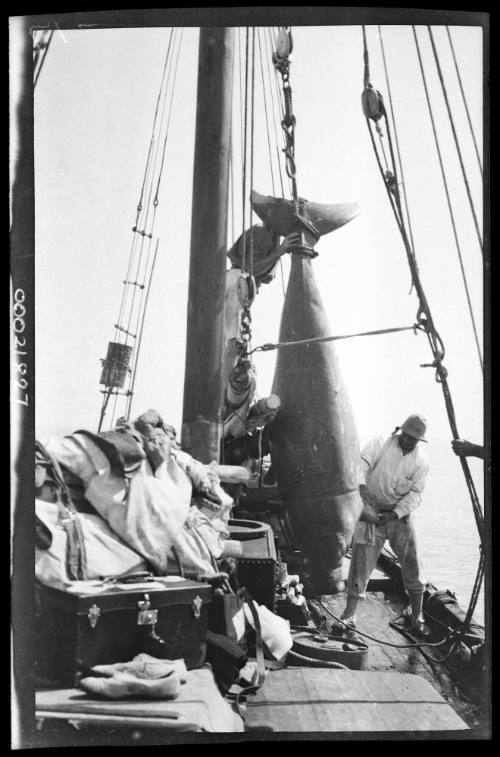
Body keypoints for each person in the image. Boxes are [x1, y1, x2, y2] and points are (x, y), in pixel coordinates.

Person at [332, 414, 431, 639]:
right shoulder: (379, 443)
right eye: (406, 435)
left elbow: (416, 495)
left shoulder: (422, 462)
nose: (408, 440)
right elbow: (359, 465)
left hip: (400, 518)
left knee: (413, 566)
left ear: (419, 441)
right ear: (400, 431)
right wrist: (362, 487)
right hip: (371, 513)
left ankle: (418, 615)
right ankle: (349, 614)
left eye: (414, 439)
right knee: (360, 564)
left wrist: (395, 514)